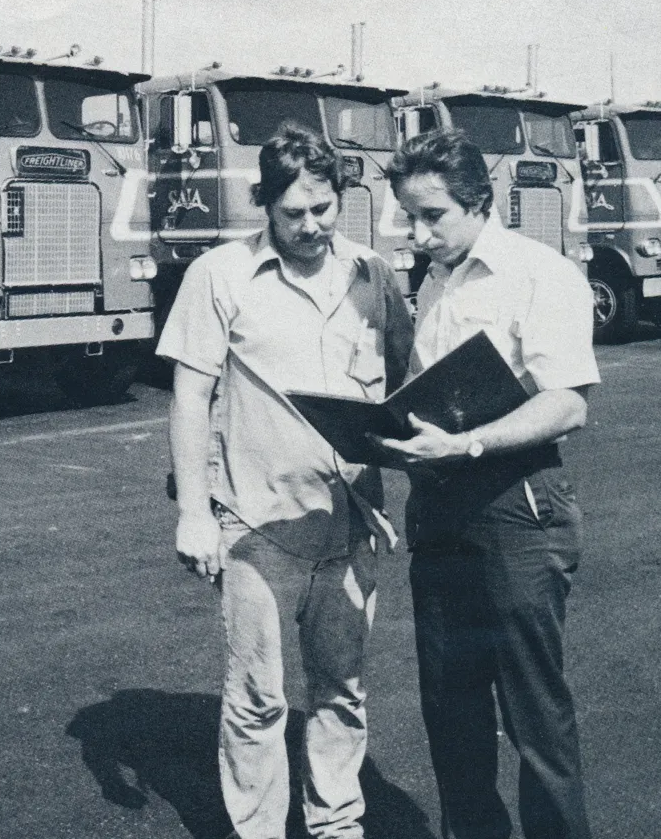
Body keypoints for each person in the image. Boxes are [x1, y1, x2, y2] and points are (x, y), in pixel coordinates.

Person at [157, 123, 414, 839]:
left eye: (324, 209)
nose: (310, 226)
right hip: (256, 526)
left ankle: (336, 826)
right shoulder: (219, 274)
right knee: (256, 699)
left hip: (350, 524)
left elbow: (408, 379)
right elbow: (189, 396)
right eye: (293, 212)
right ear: (264, 206)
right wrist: (193, 514)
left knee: (341, 692)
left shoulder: (373, 274)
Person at [375, 128, 599, 839]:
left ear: (479, 201)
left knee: (535, 715)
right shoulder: (435, 280)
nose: (416, 234)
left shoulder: (539, 273)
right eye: (407, 217)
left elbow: (566, 402)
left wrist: (469, 442)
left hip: (516, 505)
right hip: (439, 508)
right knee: (451, 709)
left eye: (432, 215)